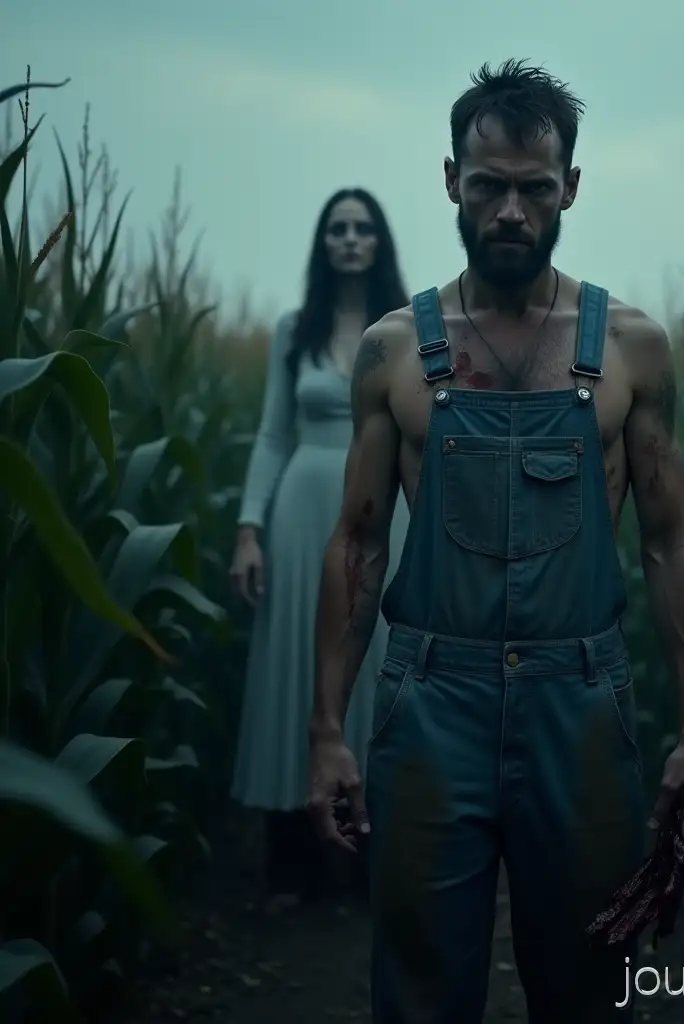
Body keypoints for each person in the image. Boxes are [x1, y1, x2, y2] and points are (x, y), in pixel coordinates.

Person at [306, 61, 684, 1022]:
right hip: (430, 700)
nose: (509, 211)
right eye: (488, 184)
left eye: (535, 189)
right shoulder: (394, 351)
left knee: (585, 983)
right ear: (451, 178)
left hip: (579, 703)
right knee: (419, 988)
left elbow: (671, 541)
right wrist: (327, 733)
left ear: (570, 187)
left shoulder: (629, 346)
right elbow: (357, 548)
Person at [230, 187, 410, 912]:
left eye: (362, 228)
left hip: (381, 512)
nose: (349, 238)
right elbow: (273, 434)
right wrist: (248, 529)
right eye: (337, 228)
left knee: (373, 671)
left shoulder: (402, 331)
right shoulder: (292, 329)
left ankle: (369, 857)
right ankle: (289, 862)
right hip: (302, 513)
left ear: (379, 242)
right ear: (322, 243)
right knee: (296, 673)